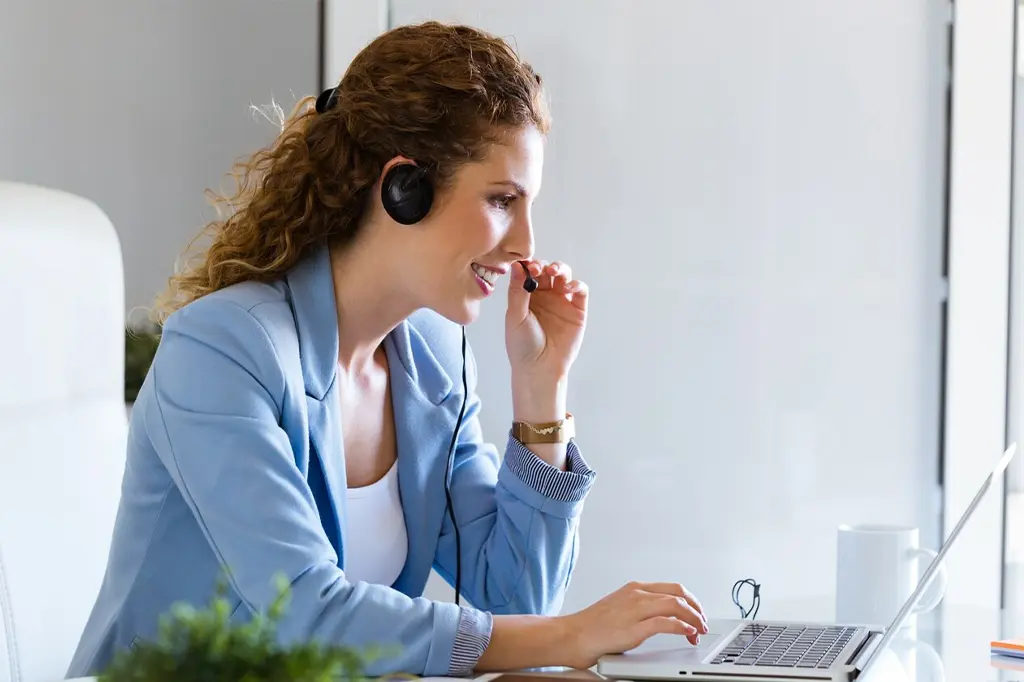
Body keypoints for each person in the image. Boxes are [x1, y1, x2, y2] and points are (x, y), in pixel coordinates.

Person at [67, 21, 708, 679]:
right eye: (501, 201)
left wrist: (540, 389)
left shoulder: (432, 359)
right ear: (405, 189)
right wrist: (569, 635)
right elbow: (305, 617)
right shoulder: (223, 352)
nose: (525, 242)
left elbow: (520, 599)